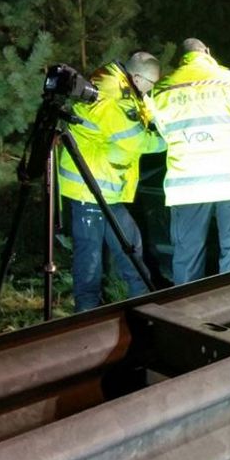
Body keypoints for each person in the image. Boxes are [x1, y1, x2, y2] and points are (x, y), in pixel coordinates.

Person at [147, 38, 230, 284]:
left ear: (180, 59)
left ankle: (186, 311)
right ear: (207, 52)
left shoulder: (160, 89)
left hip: (187, 185)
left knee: (187, 255)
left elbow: (162, 133)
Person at [58, 52, 166, 312]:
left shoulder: (120, 86)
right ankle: (86, 312)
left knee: (129, 242)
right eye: (150, 86)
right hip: (90, 187)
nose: (149, 92)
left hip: (104, 187)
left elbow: (141, 113)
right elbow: (137, 141)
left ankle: (142, 302)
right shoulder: (113, 96)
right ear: (137, 77)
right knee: (90, 255)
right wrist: (169, 140)